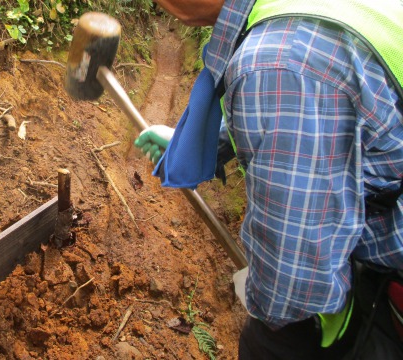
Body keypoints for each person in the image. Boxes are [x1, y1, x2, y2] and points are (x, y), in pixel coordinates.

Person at [134, 0, 403, 358]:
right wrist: (205, 140)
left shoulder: (279, 58)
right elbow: (330, 110)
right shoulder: (302, 14)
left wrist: (271, 325)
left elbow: (294, 285)